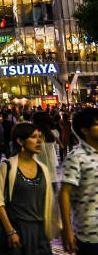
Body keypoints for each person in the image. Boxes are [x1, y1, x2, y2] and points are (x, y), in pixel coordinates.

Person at [0, 122, 60, 255]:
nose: (39, 140)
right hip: (17, 233)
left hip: (40, 234)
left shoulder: (43, 169)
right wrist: (10, 231)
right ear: (20, 141)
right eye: (34, 137)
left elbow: (49, 202)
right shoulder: (7, 167)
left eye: (40, 136)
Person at [60, 107, 98, 254]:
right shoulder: (76, 157)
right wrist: (67, 229)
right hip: (89, 234)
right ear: (85, 130)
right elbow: (64, 194)